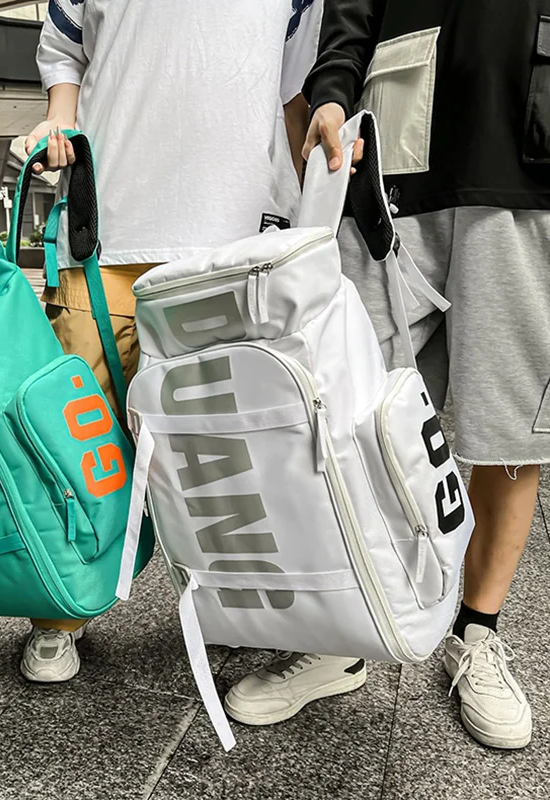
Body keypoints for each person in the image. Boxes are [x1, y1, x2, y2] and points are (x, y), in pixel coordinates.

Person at [225, 0, 550, 750]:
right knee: (340, 413)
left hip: (528, 163)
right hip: (393, 161)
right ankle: (341, 640)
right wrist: (333, 92)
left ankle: (479, 633)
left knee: (507, 431)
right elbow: (353, 8)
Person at [18, 0, 325, 684]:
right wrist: (60, 117)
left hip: (237, 232)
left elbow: (291, 89)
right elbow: (64, 47)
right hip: (109, 227)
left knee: (235, 446)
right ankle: (58, 612)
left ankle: (240, 608)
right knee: (79, 439)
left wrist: (313, 207)